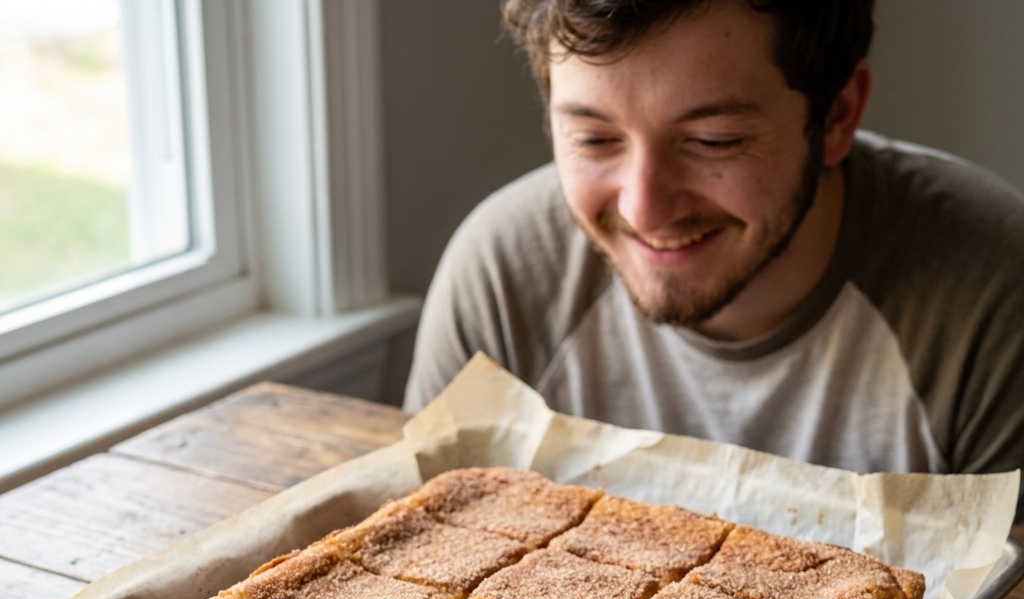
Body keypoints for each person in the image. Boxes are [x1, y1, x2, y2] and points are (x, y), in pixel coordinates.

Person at [404, 0, 1024, 520]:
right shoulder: (502, 274)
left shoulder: (993, 294)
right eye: (594, 139)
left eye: (712, 141)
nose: (645, 209)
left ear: (836, 115)